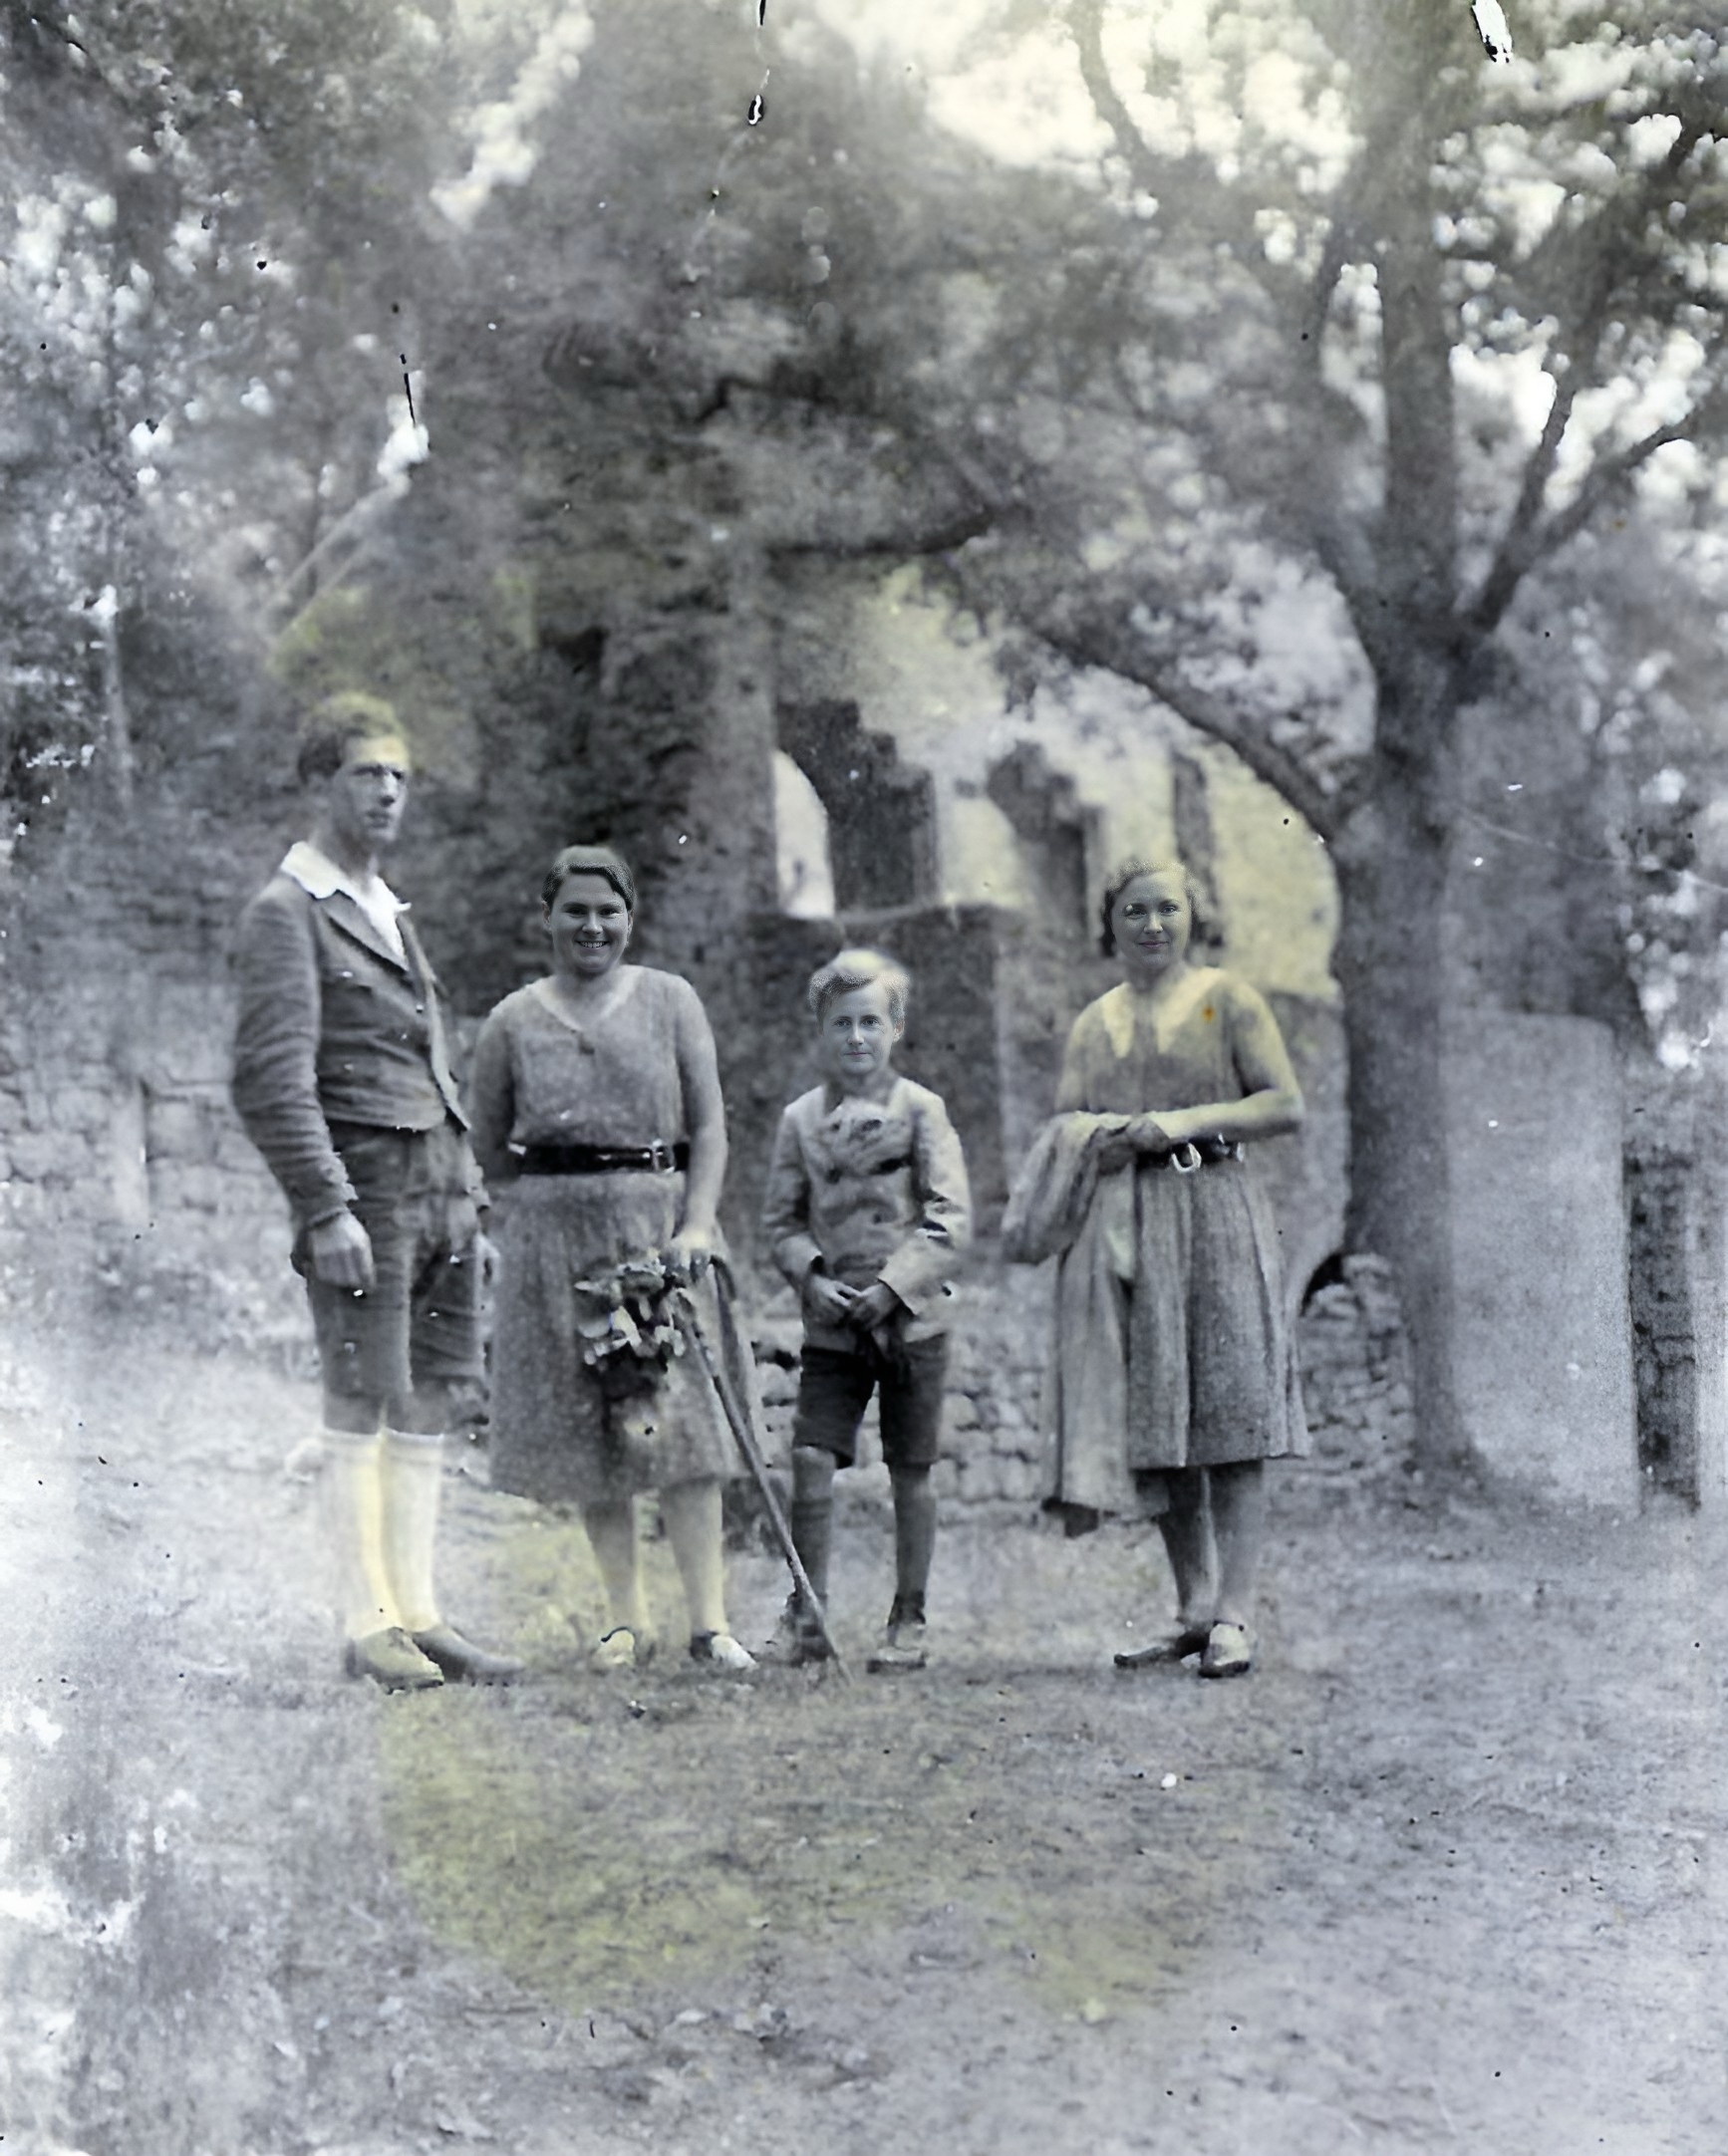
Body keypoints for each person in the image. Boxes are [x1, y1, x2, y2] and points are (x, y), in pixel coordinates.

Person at [231, 693, 522, 1691]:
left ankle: (421, 1614)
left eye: (400, 775)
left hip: (439, 1192)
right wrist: (323, 1206)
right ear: (320, 783)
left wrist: (471, 1199)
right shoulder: (286, 914)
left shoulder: (391, 912)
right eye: (367, 773)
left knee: (429, 1399)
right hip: (366, 1196)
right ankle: (365, 1624)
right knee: (359, 1398)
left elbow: (438, 1066)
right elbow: (270, 1081)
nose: (389, 791)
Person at [1003, 861, 1305, 1679]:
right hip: (1129, 1225)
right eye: (1134, 911)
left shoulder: (1226, 999)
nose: (1151, 925)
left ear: (1192, 915)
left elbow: (1284, 1103)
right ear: (1112, 924)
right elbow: (1066, 1120)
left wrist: (1180, 1122)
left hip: (1217, 1209)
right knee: (1161, 1422)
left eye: (1167, 908)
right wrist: (1096, 1135)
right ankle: (1194, 1609)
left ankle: (1236, 1618)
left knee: (1233, 1416)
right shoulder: (1095, 1021)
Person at [467, 845, 757, 1674]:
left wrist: (697, 1224)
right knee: (598, 1430)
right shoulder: (513, 1020)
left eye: (609, 911)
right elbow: (486, 1146)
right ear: (547, 918)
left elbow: (709, 1126)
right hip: (556, 1241)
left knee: (686, 1427)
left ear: (630, 917)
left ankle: (710, 1623)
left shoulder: (670, 1001)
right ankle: (626, 1620)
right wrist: (527, 1228)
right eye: (576, 911)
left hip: (660, 1230)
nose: (593, 926)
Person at [760, 949, 972, 1672]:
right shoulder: (798, 1122)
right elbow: (780, 1223)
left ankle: (908, 1617)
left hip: (912, 1322)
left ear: (896, 1028)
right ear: (820, 1033)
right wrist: (811, 1278)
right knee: (812, 1458)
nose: (855, 1038)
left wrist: (895, 1285)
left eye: (870, 1023)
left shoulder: (923, 1110)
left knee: (911, 1468)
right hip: (833, 1327)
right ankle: (807, 1614)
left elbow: (950, 1219)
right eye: (841, 1024)